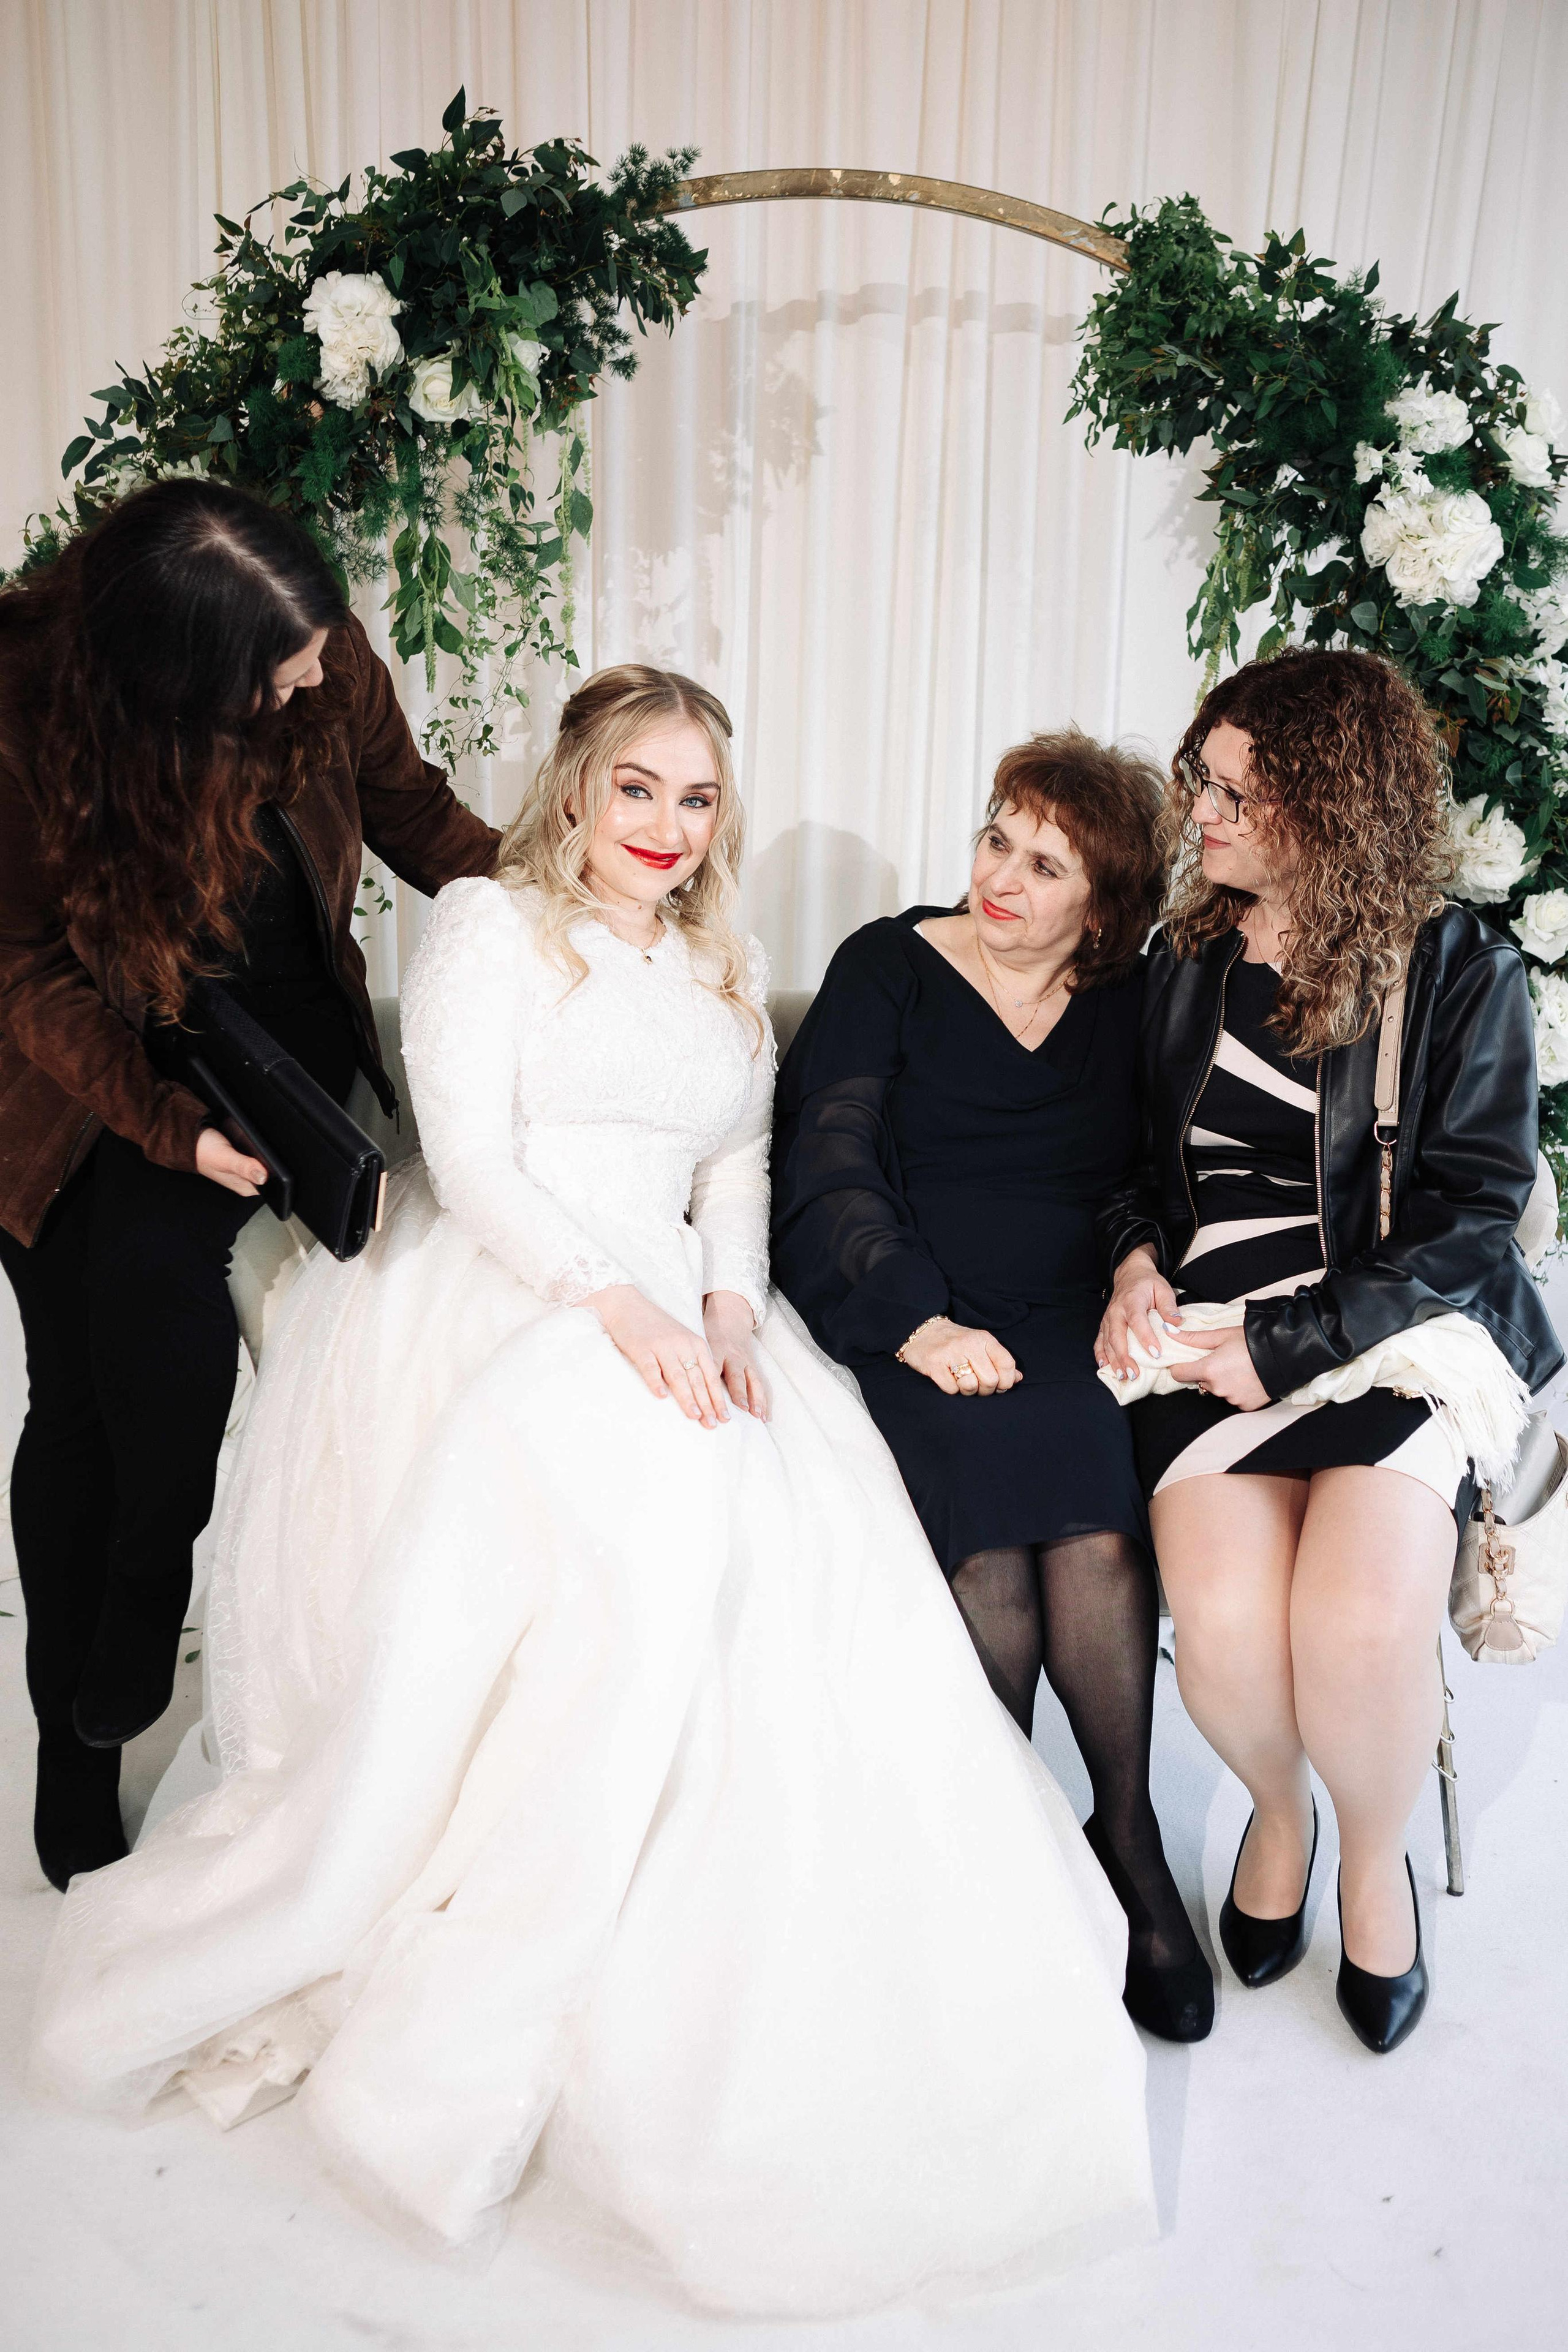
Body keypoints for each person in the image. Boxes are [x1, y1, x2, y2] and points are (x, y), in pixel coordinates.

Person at [31, 666, 1156, 2313]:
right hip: (516, 1270)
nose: (666, 829)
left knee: (793, 1500)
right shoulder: (495, 923)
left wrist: (718, 1302)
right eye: (639, 789)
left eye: (696, 800)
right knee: (650, 1499)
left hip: (679, 1285)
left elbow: (740, 1166)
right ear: (578, 790)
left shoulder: (722, 961)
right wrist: (614, 1305)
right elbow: (470, 1152)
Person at [0, 480, 500, 1893]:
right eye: (280, 663)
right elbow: (28, 973)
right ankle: (75, 1732)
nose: (315, 671)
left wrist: (563, 915)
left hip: (269, 1039)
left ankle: (154, 1580)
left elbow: (420, 818)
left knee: (167, 1370)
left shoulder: (319, 651)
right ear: (173, 672)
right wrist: (166, 1127)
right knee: (88, 1393)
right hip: (72, 1071)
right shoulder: (24, 714)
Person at [1096, 647, 1561, 2055]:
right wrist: (1128, 1257)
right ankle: (1276, 1815)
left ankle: (1370, 1853)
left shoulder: (1452, 963)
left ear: (1327, 798)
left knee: (1352, 1634)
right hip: (1202, 1333)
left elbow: (1476, 1216)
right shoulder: (1178, 962)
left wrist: (1290, 1343)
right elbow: (1121, 1166)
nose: (1201, 812)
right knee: (1232, 1645)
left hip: (1384, 1327)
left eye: (1235, 788)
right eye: (1202, 778)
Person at [771, 731, 1213, 2043]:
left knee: (1091, 1521)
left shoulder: (1133, 1001)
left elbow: (1155, 1173)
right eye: (993, 840)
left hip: (1068, 1324)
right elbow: (830, 1160)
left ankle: (1125, 1833)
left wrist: (1136, 1263)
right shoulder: (886, 966)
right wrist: (913, 1322)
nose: (1000, 880)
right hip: (912, 1307)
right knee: (988, 1559)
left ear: (1104, 903)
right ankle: (994, 1850)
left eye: (1044, 865)